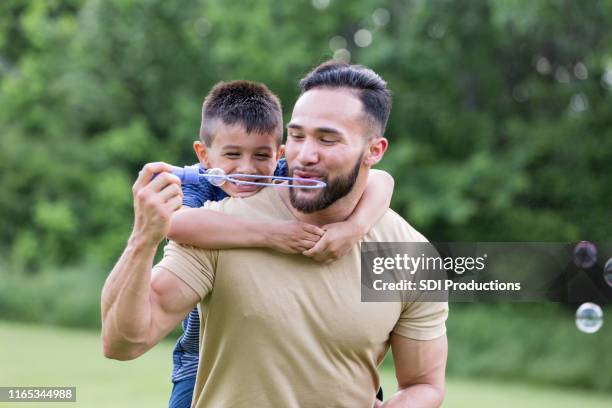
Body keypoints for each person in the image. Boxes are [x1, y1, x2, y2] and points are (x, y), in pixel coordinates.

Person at [102, 60, 448, 408]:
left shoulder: (413, 256)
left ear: (374, 151)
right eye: (297, 136)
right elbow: (123, 343)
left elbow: (424, 385)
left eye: (327, 139)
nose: (305, 155)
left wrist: (352, 229)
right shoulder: (219, 227)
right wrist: (143, 238)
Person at [165, 80, 393, 407]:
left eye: (261, 155)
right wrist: (273, 233)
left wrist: (354, 228)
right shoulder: (199, 183)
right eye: (232, 154)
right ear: (204, 154)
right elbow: (177, 224)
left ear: (279, 154)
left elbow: (381, 180)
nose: (246, 168)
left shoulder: (286, 176)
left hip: (287, 351)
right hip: (203, 359)